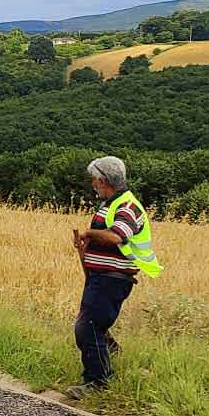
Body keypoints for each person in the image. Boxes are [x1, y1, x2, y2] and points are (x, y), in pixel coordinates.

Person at [70, 155, 161, 397]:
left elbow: (117, 236)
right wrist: (88, 246)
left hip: (113, 277)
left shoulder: (127, 206)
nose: (92, 185)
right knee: (92, 323)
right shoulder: (112, 203)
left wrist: (89, 232)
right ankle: (112, 356)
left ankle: (98, 383)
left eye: (94, 180)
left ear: (103, 180)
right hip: (102, 275)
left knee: (87, 327)